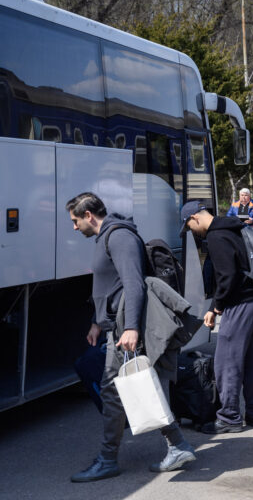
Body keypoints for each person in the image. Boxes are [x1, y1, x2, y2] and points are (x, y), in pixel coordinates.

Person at [66, 193, 195, 483]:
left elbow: (134, 284)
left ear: (88, 215)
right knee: (137, 386)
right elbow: (107, 285)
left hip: (125, 326)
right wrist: (97, 322)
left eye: (75, 221)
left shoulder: (119, 237)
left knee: (116, 390)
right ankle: (177, 445)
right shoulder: (107, 237)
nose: (74, 227)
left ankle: (109, 459)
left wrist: (131, 328)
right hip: (113, 324)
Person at [180, 201, 253, 433]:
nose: (191, 232)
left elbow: (227, 277)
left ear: (195, 218)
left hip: (238, 306)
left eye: (189, 226)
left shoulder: (217, 237)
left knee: (227, 363)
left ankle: (229, 418)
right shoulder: (235, 228)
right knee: (251, 363)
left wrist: (215, 306)